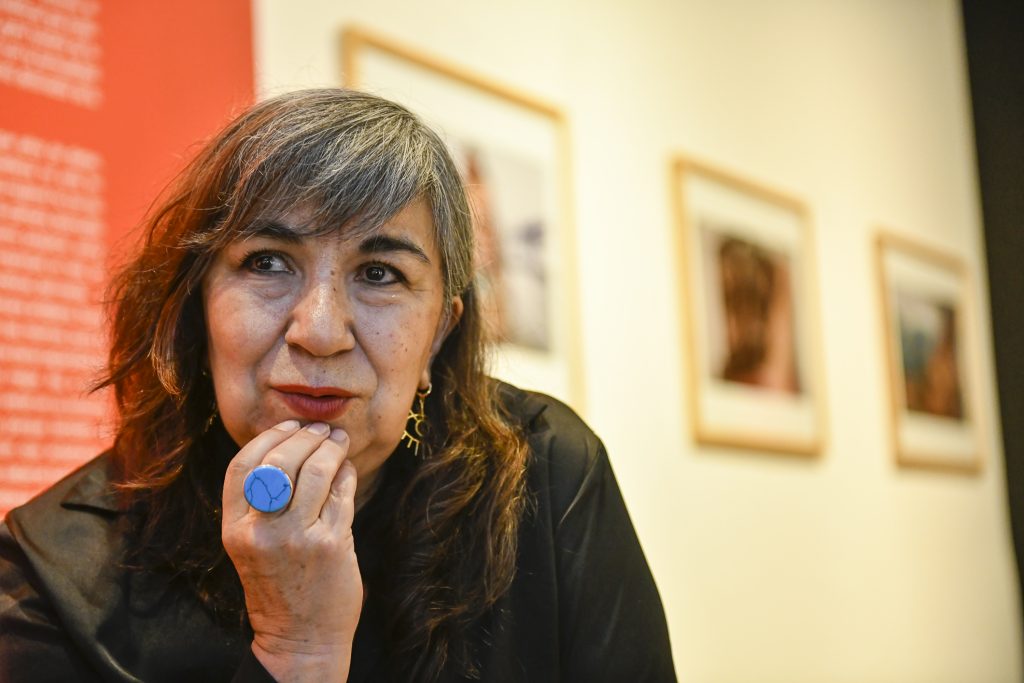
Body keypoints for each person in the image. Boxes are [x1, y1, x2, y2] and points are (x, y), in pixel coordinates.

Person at [0, 89, 676, 682]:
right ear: (196, 307)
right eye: (268, 262)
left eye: (379, 273)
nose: (320, 331)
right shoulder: (54, 571)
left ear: (439, 331)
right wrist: (297, 653)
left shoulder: (546, 473)